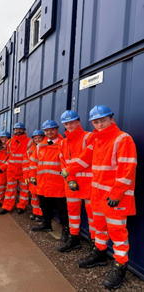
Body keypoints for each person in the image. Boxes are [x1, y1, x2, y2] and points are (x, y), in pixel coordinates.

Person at [61, 105, 137, 290]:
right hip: (98, 195)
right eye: (96, 121)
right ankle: (100, 253)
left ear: (112, 119)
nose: (99, 124)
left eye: (103, 120)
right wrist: (68, 171)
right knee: (100, 228)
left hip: (114, 198)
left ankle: (120, 265)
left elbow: (128, 168)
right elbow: (84, 159)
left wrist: (116, 193)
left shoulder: (123, 138)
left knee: (118, 234)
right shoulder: (96, 139)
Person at [57, 110, 95, 252]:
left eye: (72, 122)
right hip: (72, 184)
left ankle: (96, 244)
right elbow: (63, 163)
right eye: (67, 123)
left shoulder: (89, 137)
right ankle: (74, 239)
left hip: (89, 184)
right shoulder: (63, 143)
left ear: (78, 122)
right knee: (72, 214)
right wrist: (70, 179)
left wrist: (68, 173)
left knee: (93, 216)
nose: (70, 125)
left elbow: (87, 159)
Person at [29, 120, 69, 243]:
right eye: (46, 130)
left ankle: (66, 230)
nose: (49, 132)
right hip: (42, 182)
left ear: (57, 129)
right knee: (44, 206)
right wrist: (32, 176)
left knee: (62, 210)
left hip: (58, 183)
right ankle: (46, 224)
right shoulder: (40, 146)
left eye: (52, 129)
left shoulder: (63, 144)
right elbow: (33, 163)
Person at [0, 122, 31, 215]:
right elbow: (9, 156)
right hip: (11, 170)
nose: (18, 131)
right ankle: (7, 206)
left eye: (20, 129)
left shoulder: (29, 141)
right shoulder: (9, 142)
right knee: (10, 189)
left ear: (24, 130)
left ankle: (22, 206)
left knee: (24, 190)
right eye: (16, 129)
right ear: (14, 130)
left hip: (23, 170)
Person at [23, 130, 45, 222]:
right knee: (34, 197)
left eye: (39, 138)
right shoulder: (29, 151)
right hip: (32, 177)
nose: (37, 140)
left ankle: (41, 214)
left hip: (42, 178)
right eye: (35, 138)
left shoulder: (46, 148)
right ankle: (35, 212)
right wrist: (26, 177)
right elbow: (25, 165)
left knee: (41, 198)